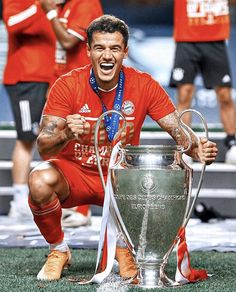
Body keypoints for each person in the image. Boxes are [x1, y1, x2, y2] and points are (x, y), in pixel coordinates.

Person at [28, 15, 218, 281]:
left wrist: (196, 148)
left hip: (121, 180)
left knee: (151, 181)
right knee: (39, 180)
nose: (107, 55)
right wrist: (66, 134)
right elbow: (44, 149)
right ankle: (58, 250)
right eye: (100, 48)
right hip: (76, 174)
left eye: (115, 48)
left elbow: (177, 128)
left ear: (125, 52)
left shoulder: (143, 84)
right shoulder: (67, 84)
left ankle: (123, 248)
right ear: (88, 51)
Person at [39, 0, 103, 227]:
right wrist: (53, 82)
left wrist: (49, 13)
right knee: (56, 142)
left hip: (85, 83)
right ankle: (66, 203)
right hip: (65, 82)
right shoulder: (64, 7)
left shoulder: (85, 4)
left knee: (83, 142)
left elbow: (67, 42)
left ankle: (83, 209)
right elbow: (60, 54)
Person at [2, 0, 55, 218]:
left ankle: (51, 193)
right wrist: (39, 7)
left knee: (52, 134)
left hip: (49, 76)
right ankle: (18, 199)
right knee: (26, 138)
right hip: (25, 78)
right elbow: (12, 23)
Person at [169, 0, 236, 164]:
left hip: (216, 39)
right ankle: (186, 145)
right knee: (184, 94)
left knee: (225, 94)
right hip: (187, 39)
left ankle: (232, 143)